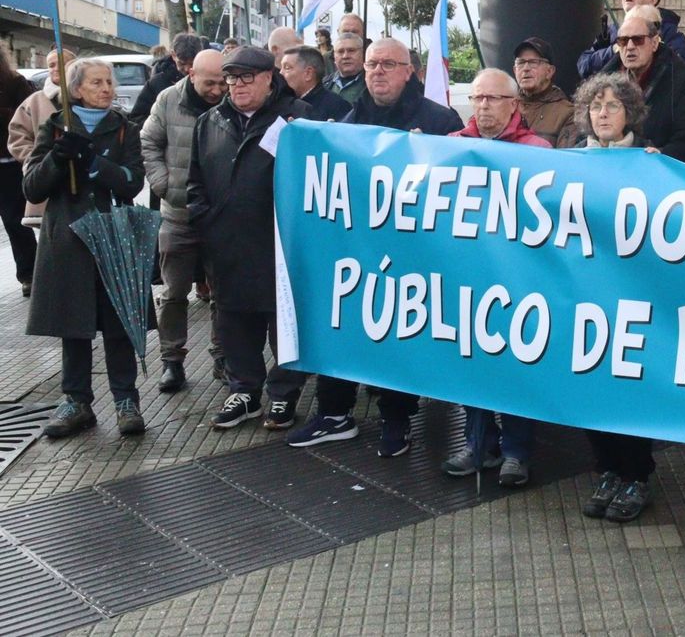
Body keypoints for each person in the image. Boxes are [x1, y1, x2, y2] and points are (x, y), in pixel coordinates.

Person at [287, 38, 463, 456]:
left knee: (399, 334)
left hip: (414, 253)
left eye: (388, 64)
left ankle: (397, 418)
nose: (378, 72)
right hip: (354, 250)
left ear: (410, 71)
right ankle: (334, 413)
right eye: (371, 65)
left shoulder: (440, 120)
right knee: (343, 323)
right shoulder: (344, 122)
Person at [189, 47, 313, 430]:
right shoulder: (210, 122)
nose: (238, 85)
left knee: (284, 326)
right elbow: (194, 181)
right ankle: (243, 391)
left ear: (268, 78)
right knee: (234, 323)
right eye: (231, 78)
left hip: (279, 245)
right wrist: (205, 220)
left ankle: (283, 394)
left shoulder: (296, 119)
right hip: (227, 245)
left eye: (246, 77)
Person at [27, 59, 148, 439]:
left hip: (114, 236)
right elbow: (33, 188)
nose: (107, 89)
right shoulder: (55, 127)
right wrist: (58, 158)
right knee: (74, 325)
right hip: (69, 241)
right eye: (97, 83)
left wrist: (95, 164)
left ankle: (126, 400)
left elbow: (132, 182)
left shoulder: (126, 129)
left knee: (118, 323)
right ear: (76, 90)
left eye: (109, 82)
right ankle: (76, 401)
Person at [443, 69, 549, 489]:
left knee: (516, 367)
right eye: (477, 97)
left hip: (518, 278)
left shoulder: (537, 151)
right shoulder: (451, 147)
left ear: (514, 105)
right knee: (472, 363)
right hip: (467, 277)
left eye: (492, 98)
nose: (482, 105)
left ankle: (516, 451)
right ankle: (477, 443)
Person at [572, 71, 659, 522]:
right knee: (591, 387)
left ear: (630, 114)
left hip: (630, 298)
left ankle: (636, 474)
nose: (603, 114)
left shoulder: (651, 163)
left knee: (628, 388)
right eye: (596, 107)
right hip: (581, 296)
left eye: (612, 106)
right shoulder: (566, 164)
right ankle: (606, 469)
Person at [141, 48, 226, 393]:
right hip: (176, 216)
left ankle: (223, 356)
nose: (218, 90)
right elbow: (149, 141)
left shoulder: (230, 103)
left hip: (218, 218)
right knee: (174, 293)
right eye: (210, 82)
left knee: (223, 293)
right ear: (191, 74)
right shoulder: (167, 100)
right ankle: (172, 361)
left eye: (223, 82)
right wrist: (164, 185)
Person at [603, 6, 685, 166]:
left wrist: (661, 156)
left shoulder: (679, 77)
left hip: (660, 172)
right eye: (622, 41)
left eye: (638, 40)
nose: (629, 47)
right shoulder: (604, 79)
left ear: (655, 43)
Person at [577, 0, 685, 77]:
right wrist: (613, 50)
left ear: (654, 0)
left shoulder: (667, 31)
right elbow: (584, 65)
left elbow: (683, 65)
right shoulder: (611, 31)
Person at [9, 48, 75, 233]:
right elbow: (17, 136)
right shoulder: (35, 101)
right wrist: (35, 159)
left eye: (61, 64)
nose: (55, 69)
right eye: (51, 65)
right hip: (47, 179)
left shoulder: (85, 99)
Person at [0, 47, 37, 296]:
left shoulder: (15, 82)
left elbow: (26, 118)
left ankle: (29, 274)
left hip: (8, 162)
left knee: (15, 221)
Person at [129, 32, 205, 127]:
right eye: (182, 63)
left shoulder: (211, 81)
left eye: (192, 64)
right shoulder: (156, 83)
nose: (187, 69)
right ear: (173, 55)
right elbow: (137, 118)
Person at [511, 37, 576, 146]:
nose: (526, 68)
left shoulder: (567, 113)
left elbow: (566, 159)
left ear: (549, 71)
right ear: (514, 70)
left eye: (533, 62)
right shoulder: (506, 106)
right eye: (521, 63)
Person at [278, 46, 352, 122]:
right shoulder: (282, 103)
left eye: (287, 68)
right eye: (281, 68)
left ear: (308, 73)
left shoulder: (337, 107)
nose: (280, 73)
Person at [323, 16, 369, 105]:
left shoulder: (373, 82)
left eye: (351, 51)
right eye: (340, 52)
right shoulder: (325, 83)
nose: (345, 56)